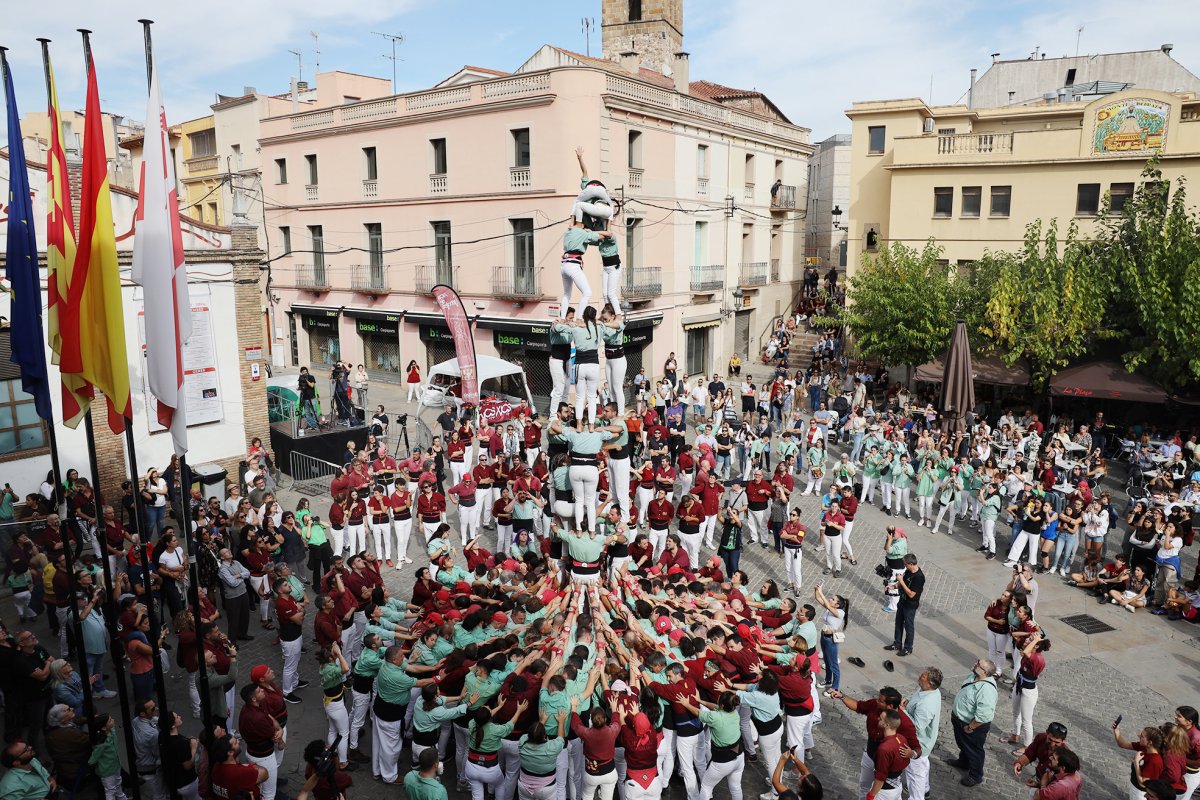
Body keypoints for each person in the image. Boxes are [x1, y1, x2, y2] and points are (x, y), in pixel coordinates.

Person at [947, 657, 999, 787]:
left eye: (978, 665)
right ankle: (963, 762)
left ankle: (976, 775)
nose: (975, 664)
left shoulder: (986, 689)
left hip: (971, 726)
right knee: (964, 745)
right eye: (977, 662)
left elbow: (985, 715)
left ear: (985, 673)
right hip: (961, 721)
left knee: (974, 750)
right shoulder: (974, 676)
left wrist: (970, 726)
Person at [901, 668, 942, 800]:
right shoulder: (927, 690)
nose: (920, 676)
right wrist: (907, 701)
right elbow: (915, 695)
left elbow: (916, 727)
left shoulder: (927, 704)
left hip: (918, 744)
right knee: (923, 765)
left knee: (915, 774)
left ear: (930, 683)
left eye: (923, 676)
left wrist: (902, 711)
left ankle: (918, 795)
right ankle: (925, 789)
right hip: (924, 744)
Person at [885, 553, 925, 656]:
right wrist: (893, 587)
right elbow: (901, 583)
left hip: (910, 605)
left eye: (905, 564)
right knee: (898, 623)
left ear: (911, 564)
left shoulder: (919, 577)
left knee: (909, 626)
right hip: (902, 602)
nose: (904, 566)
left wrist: (901, 581)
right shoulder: (908, 571)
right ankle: (897, 643)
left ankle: (908, 648)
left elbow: (911, 594)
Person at [210, 734, 269, 800]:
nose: (238, 741)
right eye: (235, 743)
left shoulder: (216, 767)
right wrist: (250, 765)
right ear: (230, 752)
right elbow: (265, 773)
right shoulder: (239, 772)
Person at [814, 584, 847, 694]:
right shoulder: (830, 609)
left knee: (833, 664)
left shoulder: (840, 612)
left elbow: (827, 605)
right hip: (824, 637)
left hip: (831, 640)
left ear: (837, 605)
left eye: (833, 599)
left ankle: (835, 686)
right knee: (827, 661)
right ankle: (828, 680)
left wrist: (821, 592)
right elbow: (818, 598)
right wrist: (816, 590)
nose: (830, 599)